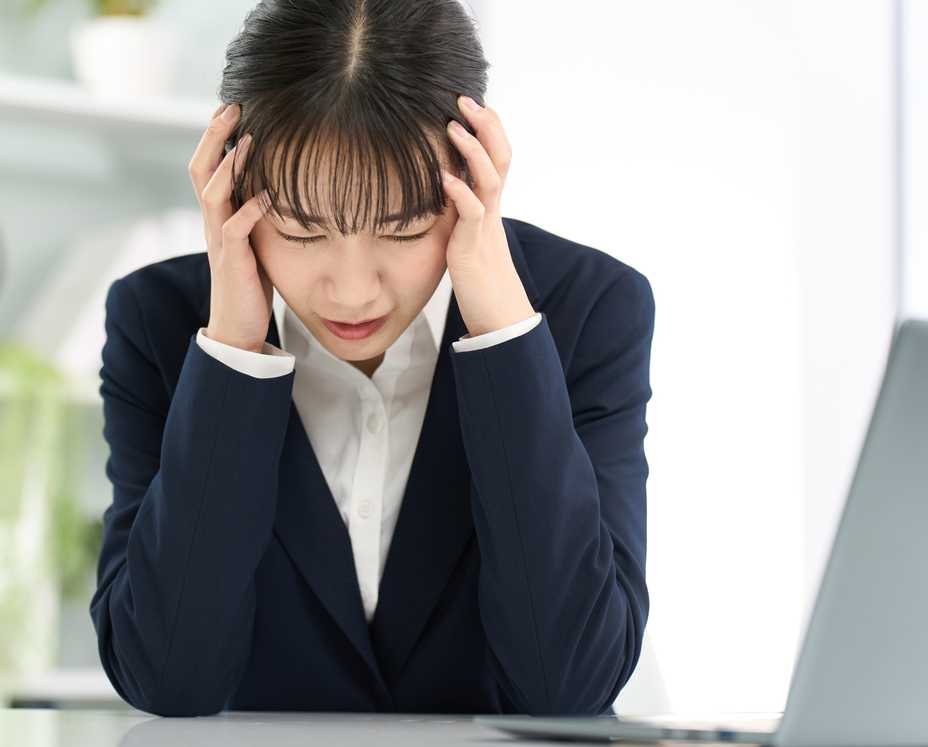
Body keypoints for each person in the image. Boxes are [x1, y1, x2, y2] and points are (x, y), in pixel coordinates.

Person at [89, 0, 655, 718]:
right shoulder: (159, 322)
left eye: (403, 228)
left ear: (474, 178)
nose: (352, 291)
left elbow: (568, 683)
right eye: (300, 230)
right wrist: (233, 347)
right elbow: (166, 679)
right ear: (228, 184)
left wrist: (504, 337)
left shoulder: (591, 311)